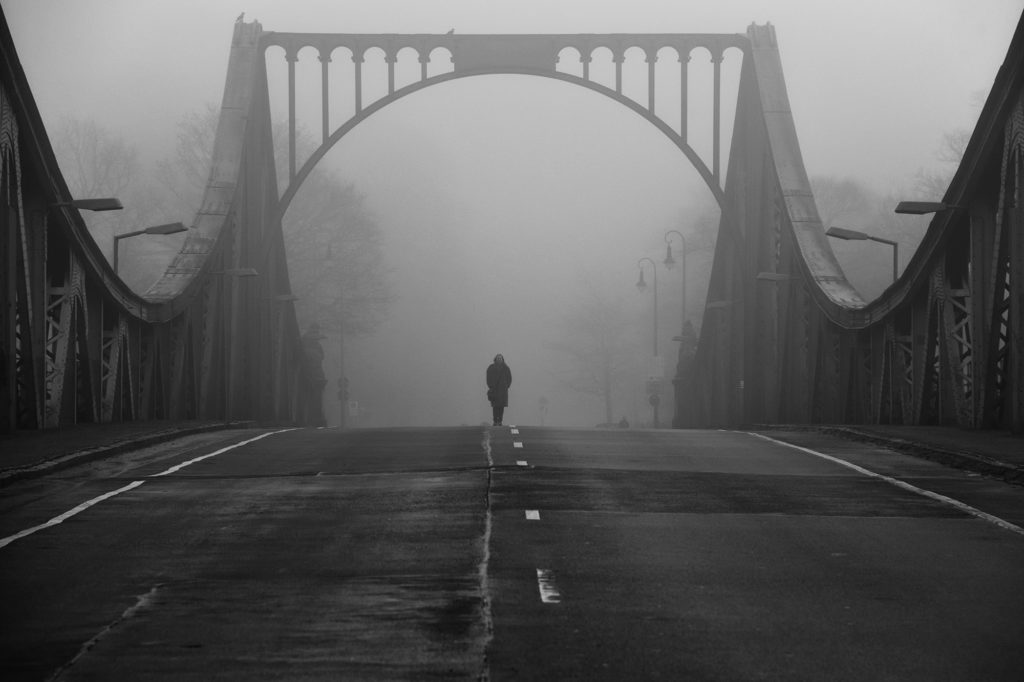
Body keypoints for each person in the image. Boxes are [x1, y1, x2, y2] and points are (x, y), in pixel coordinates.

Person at [486, 354, 512, 426]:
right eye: (498, 358)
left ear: (502, 359)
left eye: (500, 358)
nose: (499, 359)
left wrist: (506, 386)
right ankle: (495, 420)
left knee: (501, 407)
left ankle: (500, 420)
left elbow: (509, 378)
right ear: (495, 359)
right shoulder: (491, 368)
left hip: (503, 391)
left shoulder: (506, 368)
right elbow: (488, 377)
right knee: (495, 406)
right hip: (494, 390)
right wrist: (490, 386)